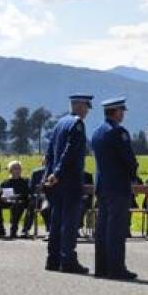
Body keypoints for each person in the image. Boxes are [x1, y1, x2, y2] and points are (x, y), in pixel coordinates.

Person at [44, 93, 94, 274]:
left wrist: (49, 174)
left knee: (56, 220)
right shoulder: (77, 124)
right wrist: (58, 172)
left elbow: (50, 151)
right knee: (70, 222)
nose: (87, 111)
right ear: (80, 106)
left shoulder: (60, 123)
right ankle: (68, 260)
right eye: (86, 107)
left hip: (57, 182)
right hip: (70, 179)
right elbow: (70, 151)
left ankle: (52, 258)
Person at [91, 97, 139, 280]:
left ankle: (101, 267)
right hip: (118, 185)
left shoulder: (97, 132)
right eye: (122, 111)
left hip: (103, 185)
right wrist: (133, 175)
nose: (123, 114)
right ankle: (116, 267)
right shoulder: (118, 132)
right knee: (116, 229)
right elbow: (128, 159)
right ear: (116, 112)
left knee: (102, 227)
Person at [1, 161, 32, 239]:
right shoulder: (6, 182)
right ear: (10, 170)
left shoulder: (25, 181)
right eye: (15, 168)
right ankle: (0, 230)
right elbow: (0, 193)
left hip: (21, 201)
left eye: (19, 168)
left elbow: (27, 193)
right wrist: (1, 197)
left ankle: (13, 230)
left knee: (17, 205)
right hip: (7, 201)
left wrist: (17, 196)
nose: (18, 170)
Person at [21, 166, 47, 238]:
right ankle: (25, 230)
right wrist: (38, 189)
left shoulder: (56, 171)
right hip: (38, 197)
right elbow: (31, 189)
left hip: (52, 198)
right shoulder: (36, 173)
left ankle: (50, 230)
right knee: (31, 204)